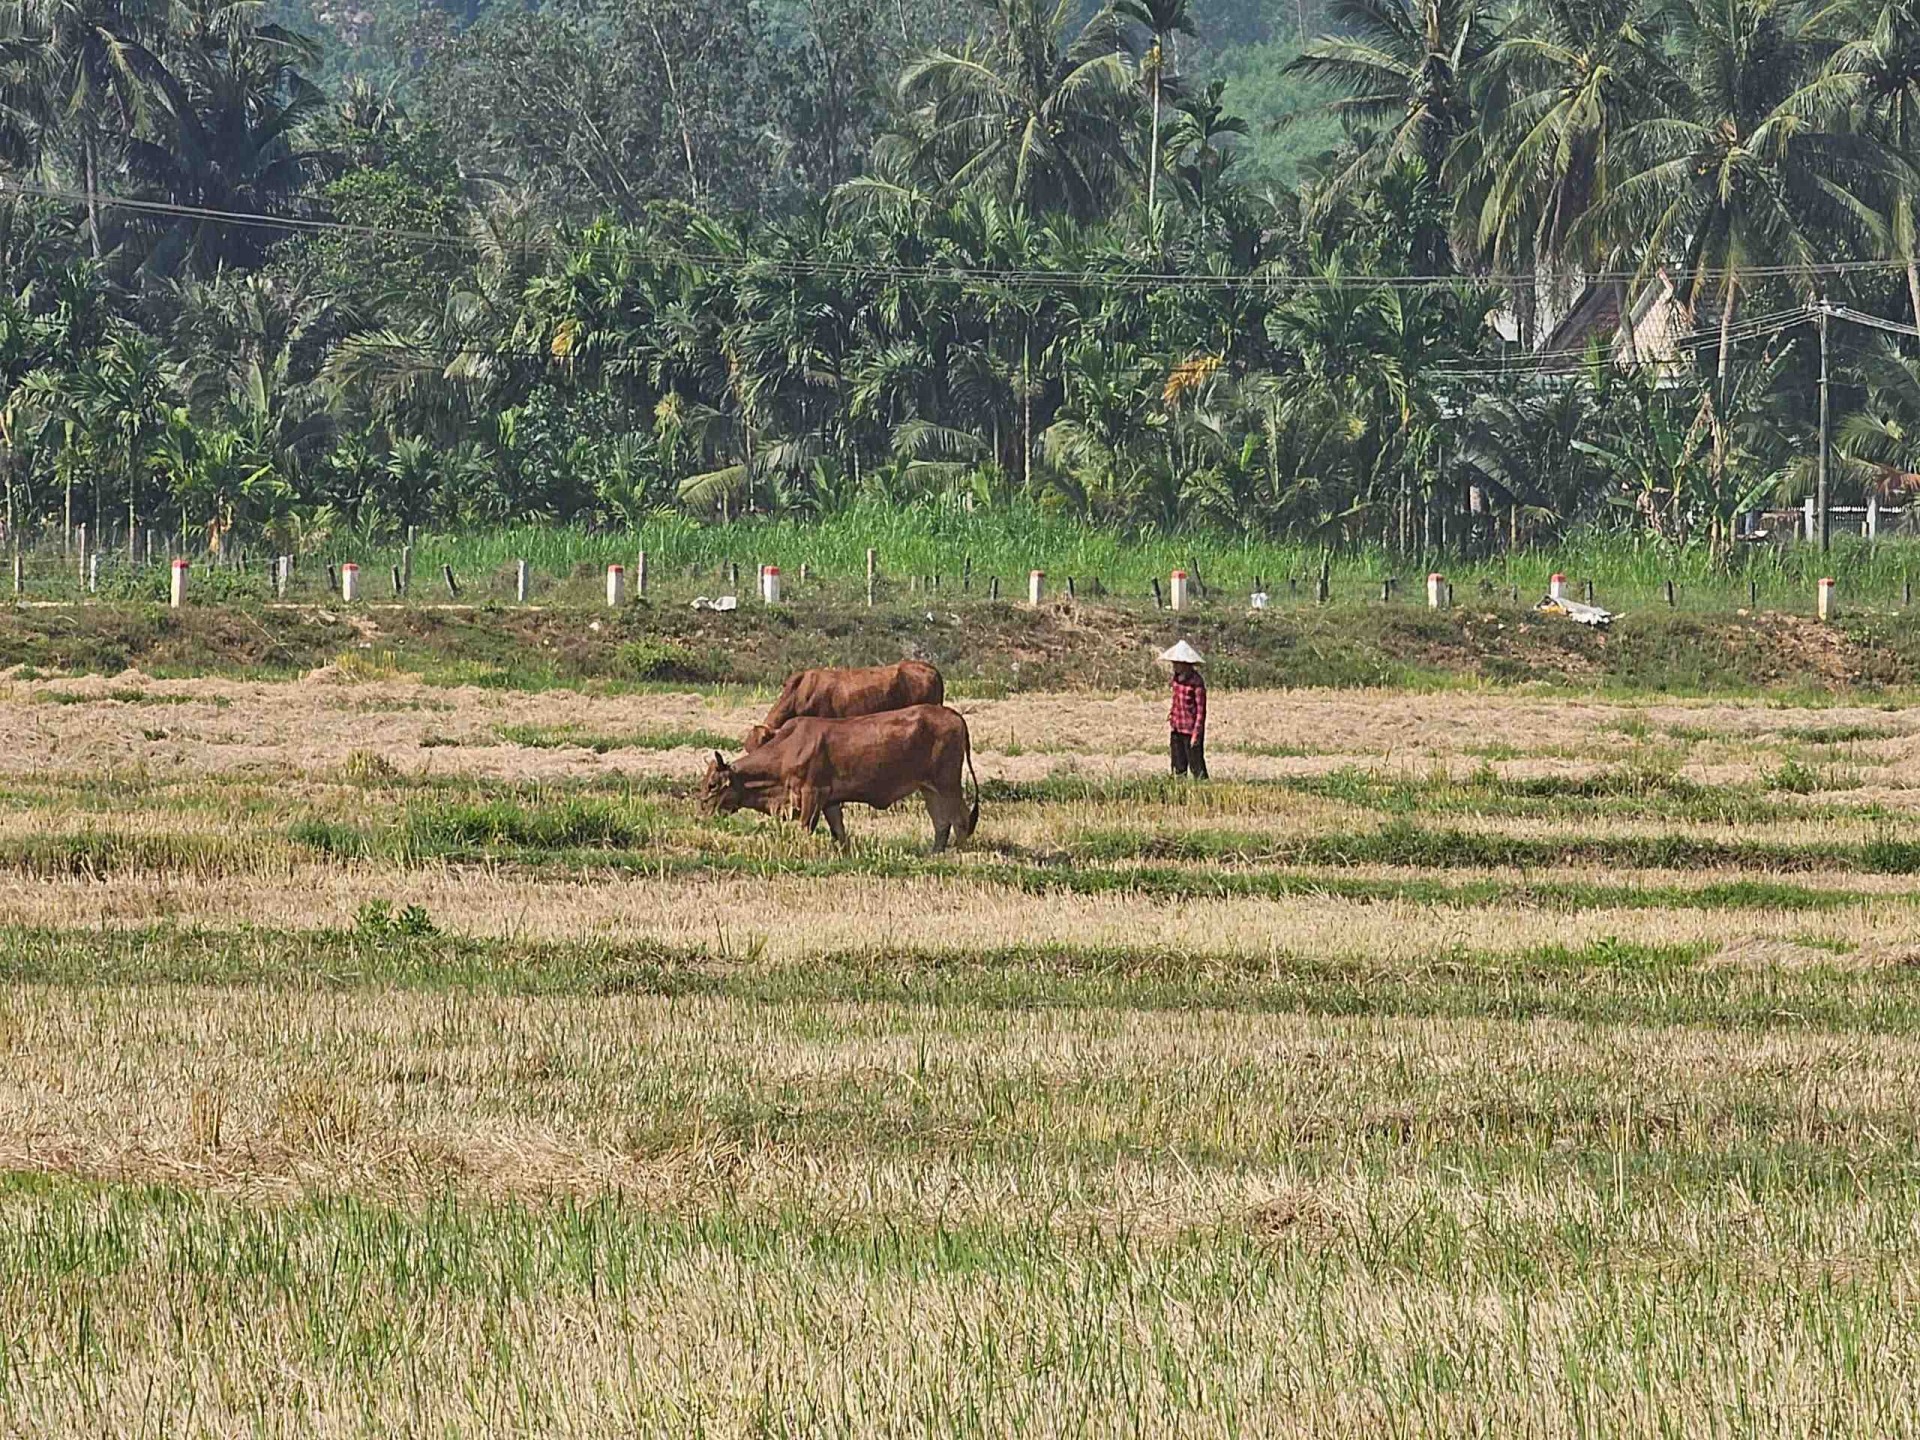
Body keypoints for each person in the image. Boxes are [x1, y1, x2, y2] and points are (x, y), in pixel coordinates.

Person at [1159, 641, 1208, 779]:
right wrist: (1172, 713)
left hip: (1190, 730)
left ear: (1186, 664)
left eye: (1177, 663)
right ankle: (1179, 792)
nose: (1174, 666)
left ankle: (1203, 791)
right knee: (1178, 767)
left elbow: (1200, 711)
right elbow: (1176, 701)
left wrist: (1196, 734)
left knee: (1196, 766)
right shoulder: (1176, 680)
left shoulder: (1196, 682)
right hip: (1177, 728)